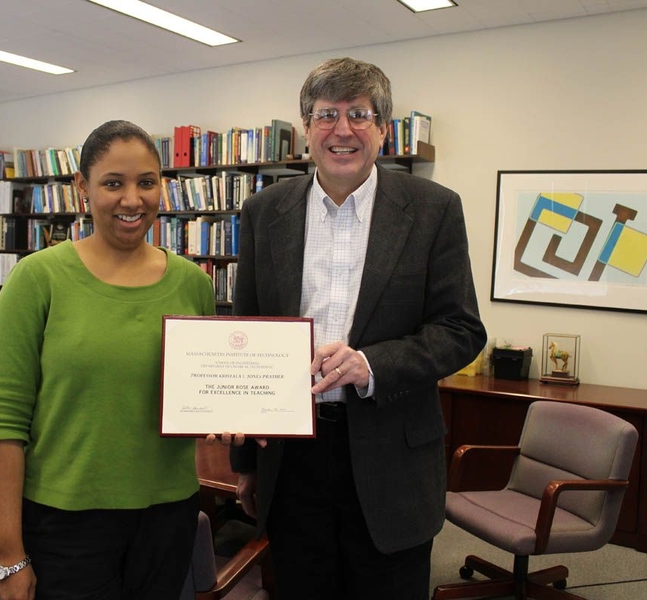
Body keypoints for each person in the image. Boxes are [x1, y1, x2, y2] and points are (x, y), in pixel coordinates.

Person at [228, 58, 487, 599]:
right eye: (327, 115)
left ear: (383, 129)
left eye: (359, 115)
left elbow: (461, 328)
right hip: (292, 456)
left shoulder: (434, 209)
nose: (341, 130)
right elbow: (247, 327)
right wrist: (247, 463)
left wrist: (373, 365)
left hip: (393, 456)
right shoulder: (263, 212)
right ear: (306, 128)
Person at [0, 120, 216, 600]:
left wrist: (234, 413)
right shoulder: (36, 279)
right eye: (113, 183)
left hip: (169, 514)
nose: (132, 200)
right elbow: (1, 420)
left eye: (147, 182)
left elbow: (202, 392)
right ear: (82, 187)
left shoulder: (193, 283)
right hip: (65, 519)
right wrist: (7, 555)